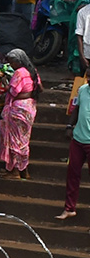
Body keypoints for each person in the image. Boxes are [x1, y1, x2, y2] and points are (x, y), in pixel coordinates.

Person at [0, 48, 42, 178]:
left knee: (14, 140)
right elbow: (40, 88)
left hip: (17, 109)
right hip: (30, 108)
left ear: (18, 61)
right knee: (23, 140)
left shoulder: (19, 73)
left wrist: (5, 84)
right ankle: (24, 170)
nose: (11, 65)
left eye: (12, 62)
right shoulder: (33, 71)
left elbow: (13, 92)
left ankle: (15, 170)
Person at [59, 72, 90, 220]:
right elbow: (77, 109)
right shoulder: (83, 89)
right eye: (88, 76)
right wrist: (69, 125)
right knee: (72, 174)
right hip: (78, 138)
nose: (89, 80)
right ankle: (69, 208)